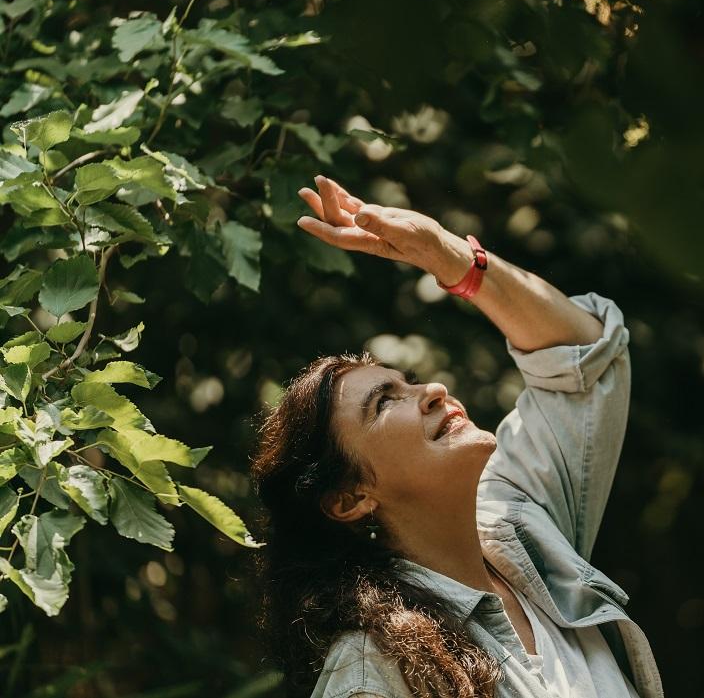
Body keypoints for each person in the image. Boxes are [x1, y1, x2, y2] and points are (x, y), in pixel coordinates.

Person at [249, 175, 664, 698]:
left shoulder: (525, 533)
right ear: (349, 498)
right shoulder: (372, 671)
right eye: (384, 402)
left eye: (408, 381)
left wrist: (448, 256)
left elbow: (586, 358)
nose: (433, 389)